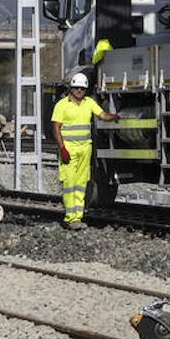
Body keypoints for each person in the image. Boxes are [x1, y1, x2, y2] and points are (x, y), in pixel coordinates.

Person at [51, 72, 121, 230]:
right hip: (69, 149)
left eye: (82, 89)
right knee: (69, 183)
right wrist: (62, 148)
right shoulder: (62, 105)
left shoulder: (89, 102)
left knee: (81, 183)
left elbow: (102, 115)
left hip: (84, 149)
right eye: (76, 88)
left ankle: (78, 216)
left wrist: (115, 116)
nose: (79, 91)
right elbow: (56, 127)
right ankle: (71, 218)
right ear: (71, 88)